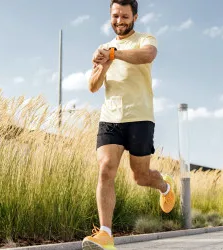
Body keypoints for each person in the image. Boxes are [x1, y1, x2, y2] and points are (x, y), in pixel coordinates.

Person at [82, 0, 176, 249]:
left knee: (141, 177)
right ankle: (105, 234)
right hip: (111, 118)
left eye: (125, 16)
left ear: (135, 17)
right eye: (115, 16)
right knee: (105, 169)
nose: (119, 21)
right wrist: (104, 65)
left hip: (140, 117)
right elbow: (92, 87)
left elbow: (148, 55)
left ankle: (164, 185)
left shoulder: (145, 39)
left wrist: (115, 54)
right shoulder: (104, 48)